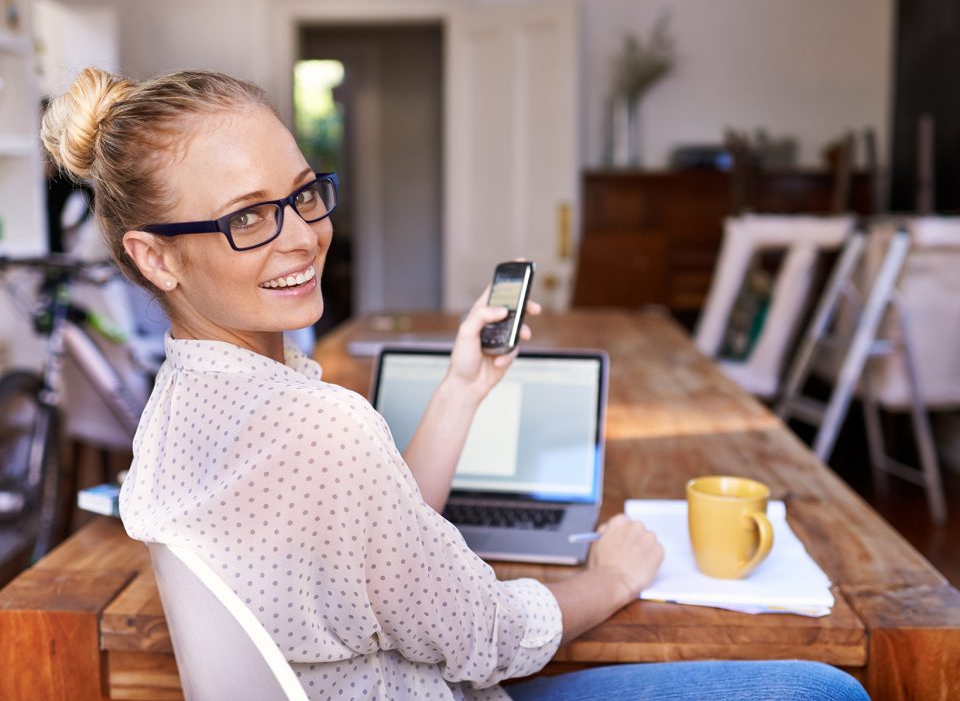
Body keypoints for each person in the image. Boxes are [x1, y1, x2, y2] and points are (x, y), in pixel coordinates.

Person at [40, 67, 870, 701]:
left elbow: (371, 539)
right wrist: (610, 578)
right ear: (155, 255)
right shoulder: (316, 424)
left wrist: (462, 387)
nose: (301, 238)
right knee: (826, 689)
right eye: (247, 216)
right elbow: (486, 636)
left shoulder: (180, 409)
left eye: (302, 194)